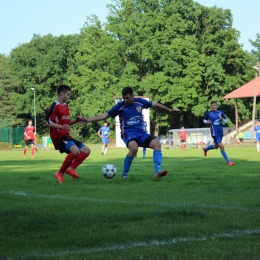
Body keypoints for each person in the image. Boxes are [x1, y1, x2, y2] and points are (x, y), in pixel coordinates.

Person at [83, 86, 181, 179]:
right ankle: (124, 175)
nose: (125, 100)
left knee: (157, 143)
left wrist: (169, 110)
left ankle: (157, 172)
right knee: (134, 148)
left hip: (141, 133)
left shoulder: (140, 103)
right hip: (128, 133)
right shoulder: (119, 106)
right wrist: (88, 120)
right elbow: (104, 116)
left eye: (127, 98)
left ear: (133, 96)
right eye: (124, 98)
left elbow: (154, 104)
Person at [46, 84, 91, 183]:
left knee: (86, 150)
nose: (68, 97)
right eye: (68, 94)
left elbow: (67, 123)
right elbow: (48, 123)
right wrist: (61, 127)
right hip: (59, 137)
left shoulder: (65, 106)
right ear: (62, 93)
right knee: (75, 151)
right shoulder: (54, 106)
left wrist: (76, 120)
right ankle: (60, 173)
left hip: (66, 136)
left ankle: (70, 168)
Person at [202, 101, 234, 166]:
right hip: (214, 132)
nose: (213, 106)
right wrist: (206, 122)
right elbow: (204, 120)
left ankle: (206, 149)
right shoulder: (209, 113)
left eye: (214, 105)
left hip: (220, 131)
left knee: (216, 146)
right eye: (212, 105)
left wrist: (221, 119)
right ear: (211, 106)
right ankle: (229, 161)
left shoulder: (220, 112)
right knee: (221, 146)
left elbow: (225, 121)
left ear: (217, 106)